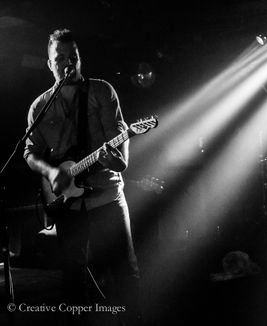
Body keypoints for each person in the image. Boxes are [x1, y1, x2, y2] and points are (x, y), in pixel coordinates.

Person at [23, 28, 140, 325]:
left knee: (125, 273)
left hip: (106, 195)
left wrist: (117, 160)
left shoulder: (101, 91)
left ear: (79, 58)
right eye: (59, 57)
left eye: (72, 56)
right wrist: (51, 171)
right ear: (49, 64)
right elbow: (30, 152)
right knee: (74, 280)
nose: (67, 62)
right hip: (67, 203)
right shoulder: (39, 106)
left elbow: (119, 134)